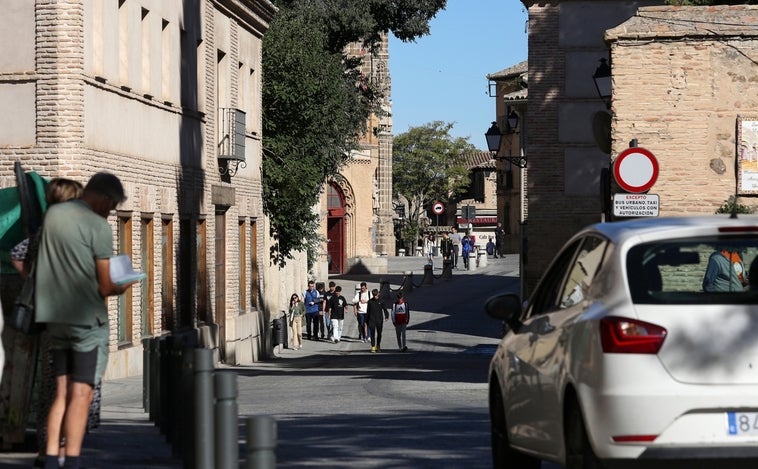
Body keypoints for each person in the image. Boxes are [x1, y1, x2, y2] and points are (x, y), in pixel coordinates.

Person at [35, 172, 136, 469]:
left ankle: (52, 455)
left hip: (53, 317)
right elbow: (106, 286)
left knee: (62, 390)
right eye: (113, 204)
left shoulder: (52, 216)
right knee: (82, 392)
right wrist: (125, 284)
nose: (111, 210)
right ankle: (74, 458)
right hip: (86, 321)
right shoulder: (97, 227)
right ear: (104, 198)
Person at [9, 178, 90, 468]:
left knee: (51, 385)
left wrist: (32, 279)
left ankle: (48, 447)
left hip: (46, 315)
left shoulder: (43, 230)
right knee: (72, 385)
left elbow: (16, 254)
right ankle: (64, 445)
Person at [366, 289, 388, 353]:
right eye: (374, 295)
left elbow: (385, 309)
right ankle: (373, 346)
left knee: (379, 334)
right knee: (372, 334)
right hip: (371, 320)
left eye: (376, 295)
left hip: (379, 320)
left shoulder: (381, 301)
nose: (375, 296)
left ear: (378, 294)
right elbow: (368, 311)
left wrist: (386, 316)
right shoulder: (370, 301)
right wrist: (366, 321)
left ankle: (378, 345)